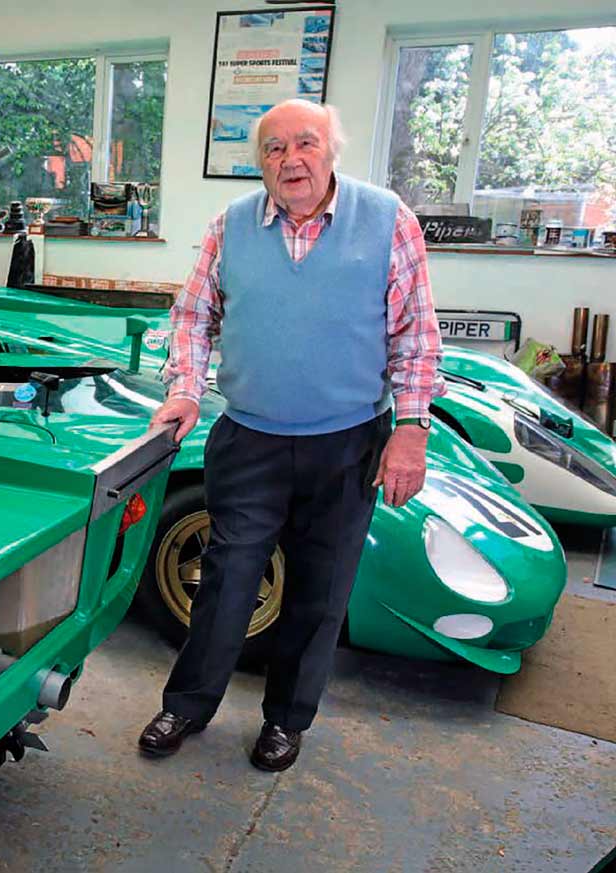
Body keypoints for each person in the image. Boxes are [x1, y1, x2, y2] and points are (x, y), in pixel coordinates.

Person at [138, 99, 443, 772]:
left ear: (332, 151)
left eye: (305, 144)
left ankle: (286, 720)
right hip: (250, 438)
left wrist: (412, 428)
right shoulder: (231, 226)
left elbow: (415, 336)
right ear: (261, 163)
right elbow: (191, 317)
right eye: (274, 149)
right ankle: (187, 704)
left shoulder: (388, 220)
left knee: (320, 591)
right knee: (226, 580)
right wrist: (185, 388)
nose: (290, 160)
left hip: (349, 443)